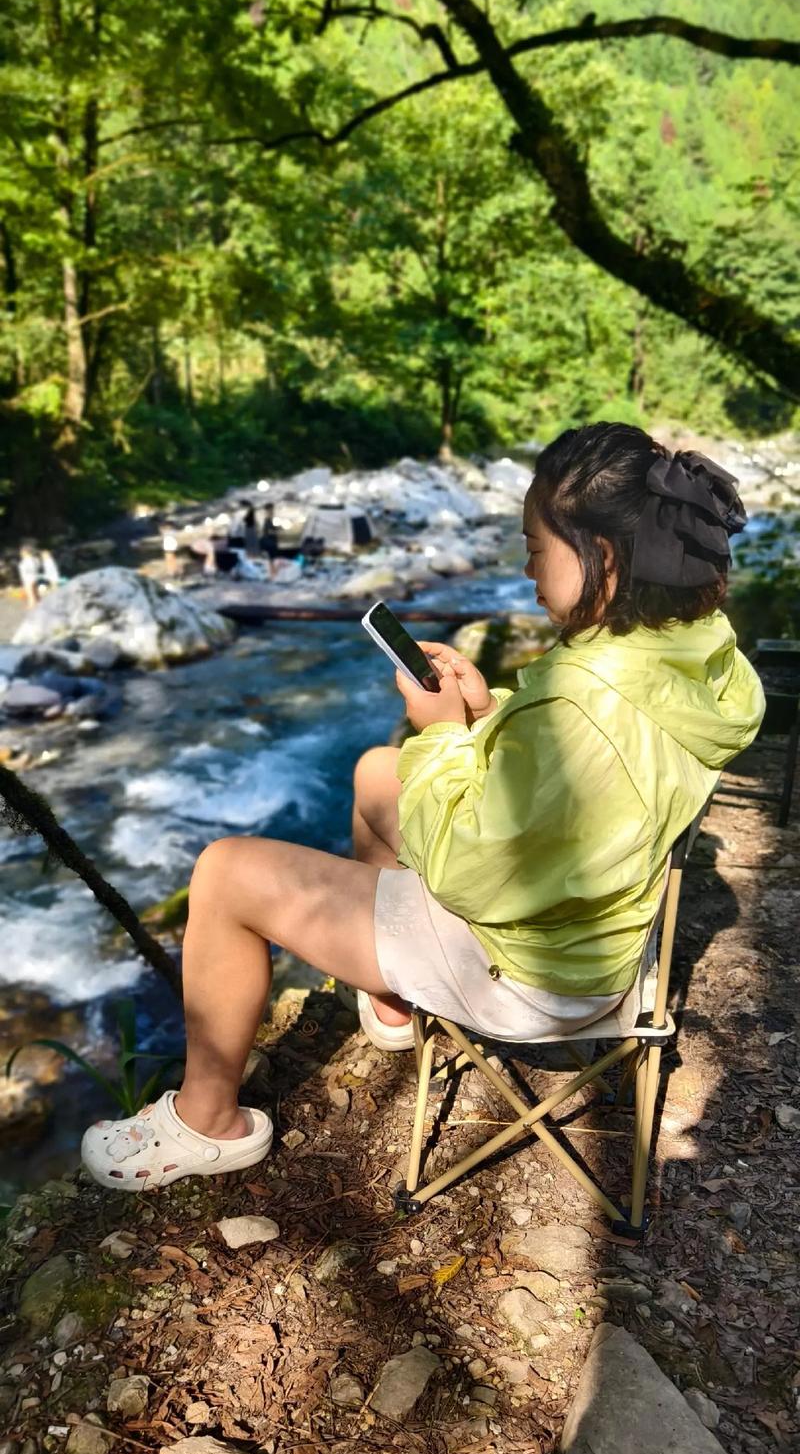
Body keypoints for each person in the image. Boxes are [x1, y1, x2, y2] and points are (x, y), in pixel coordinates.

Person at [81, 422, 764, 1191]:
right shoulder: (688, 651)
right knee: (379, 772)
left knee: (224, 873)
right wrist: (486, 712)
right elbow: (601, 760)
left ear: (600, 558)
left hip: (529, 970)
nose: (528, 568)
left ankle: (208, 1120)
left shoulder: (583, 695)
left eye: (536, 547)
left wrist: (440, 734)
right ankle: (395, 1000)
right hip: (603, 932)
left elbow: (467, 869)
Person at [18, 543, 41, 608]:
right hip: (34, 576)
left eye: (21, 551)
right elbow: (38, 566)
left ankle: (31, 604)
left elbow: (28, 569)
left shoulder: (26, 560)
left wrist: (28, 572)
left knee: (30, 592)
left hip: (28, 578)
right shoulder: (35, 559)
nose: (20, 553)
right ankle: (38, 602)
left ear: (25, 552)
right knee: (35, 591)